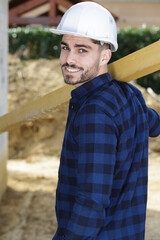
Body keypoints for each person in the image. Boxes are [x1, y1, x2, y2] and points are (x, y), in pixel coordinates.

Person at [50, 2, 160, 240]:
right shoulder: (130, 96)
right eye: (65, 47)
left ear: (105, 56)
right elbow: (155, 125)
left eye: (82, 50)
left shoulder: (94, 112)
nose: (68, 59)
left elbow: (91, 202)